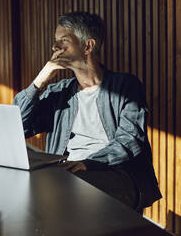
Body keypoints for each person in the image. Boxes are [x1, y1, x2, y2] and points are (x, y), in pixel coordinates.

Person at [13, 12, 161, 213]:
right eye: (55, 41)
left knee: (61, 190)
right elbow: (18, 127)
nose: (55, 48)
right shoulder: (60, 91)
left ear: (87, 46)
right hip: (67, 173)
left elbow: (130, 140)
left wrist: (88, 163)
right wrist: (40, 80)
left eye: (63, 40)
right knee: (25, 185)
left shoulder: (125, 85)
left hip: (117, 173)